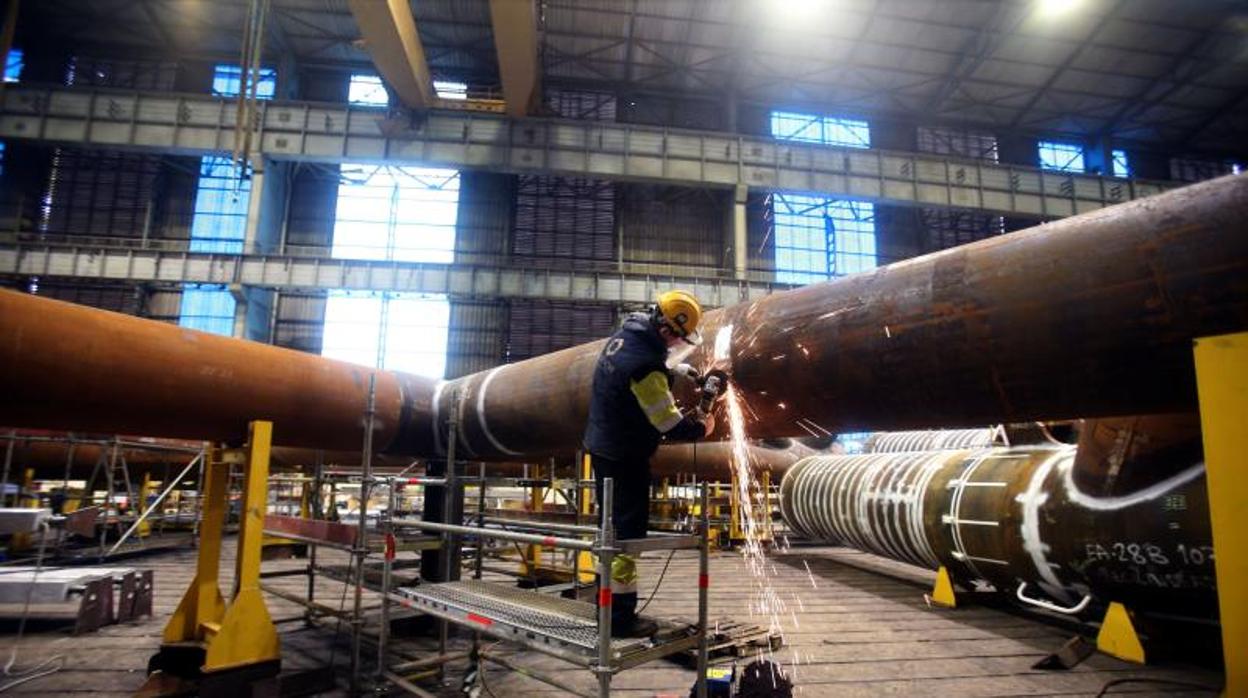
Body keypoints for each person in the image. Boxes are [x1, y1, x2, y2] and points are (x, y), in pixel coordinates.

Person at [582, 289, 716, 637]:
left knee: (608, 529)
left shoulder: (629, 332)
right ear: (667, 331)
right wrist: (701, 426)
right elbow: (668, 423)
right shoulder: (647, 368)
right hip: (624, 457)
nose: (677, 345)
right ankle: (620, 619)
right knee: (625, 538)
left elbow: (648, 367)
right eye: (679, 339)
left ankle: (605, 605)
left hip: (602, 445)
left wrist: (683, 371)